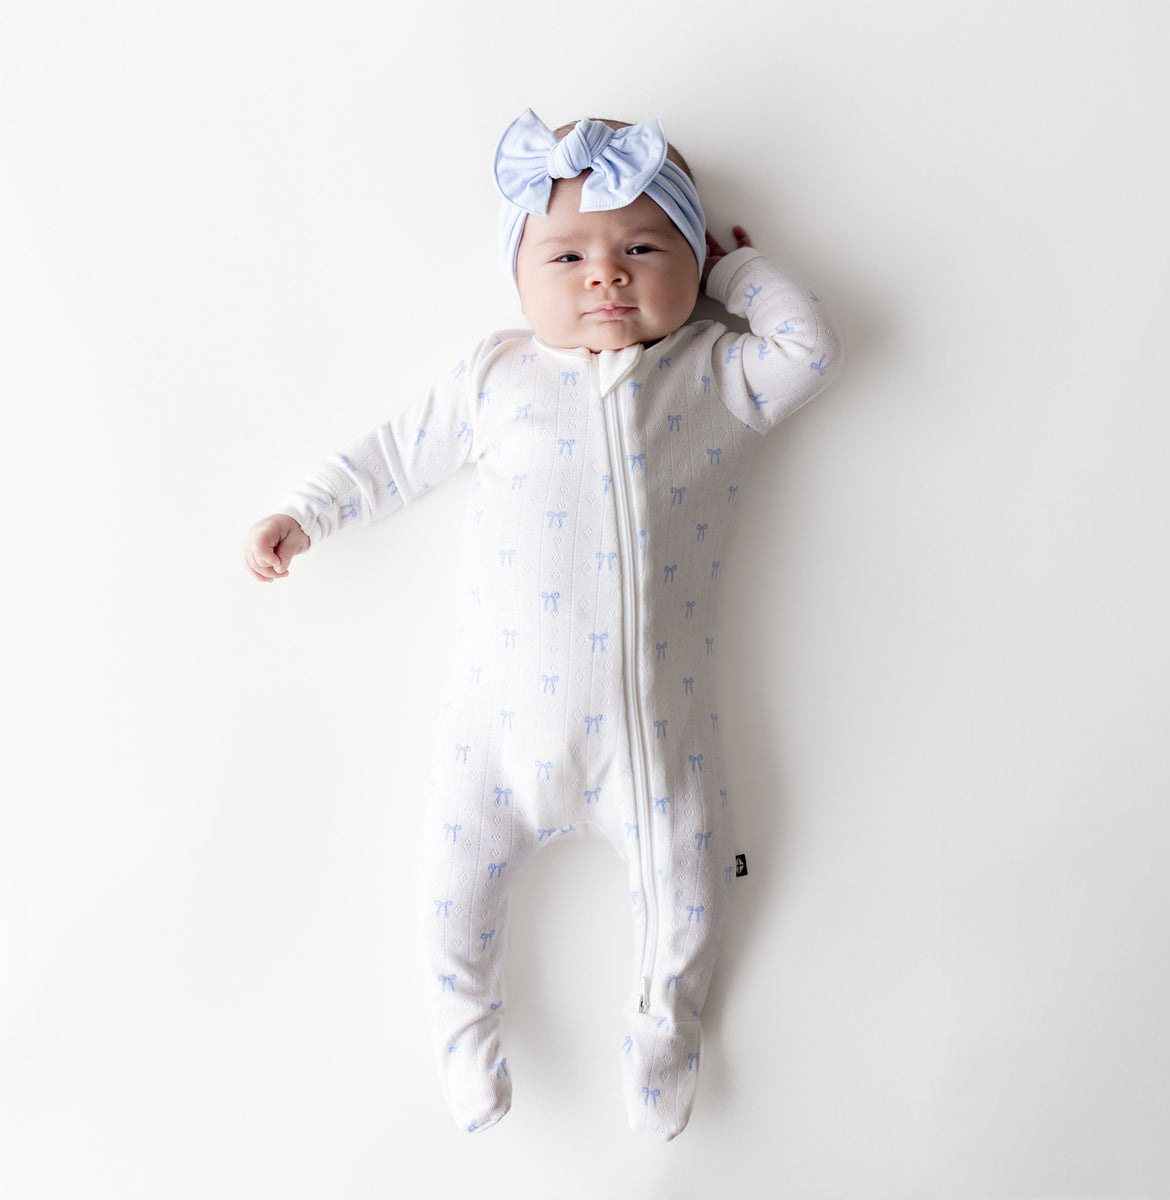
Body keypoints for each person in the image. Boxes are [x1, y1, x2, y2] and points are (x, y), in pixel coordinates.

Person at [243, 109, 841, 1139]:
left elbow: (807, 350)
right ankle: (465, 1036)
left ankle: (663, 1033)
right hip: (495, 735)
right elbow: (394, 456)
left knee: (695, 884)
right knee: (448, 890)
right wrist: (308, 510)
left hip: (655, 742)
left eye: (645, 248)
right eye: (566, 253)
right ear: (519, 277)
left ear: (690, 265)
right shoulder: (494, 375)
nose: (605, 275)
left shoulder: (710, 376)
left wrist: (742, 276)